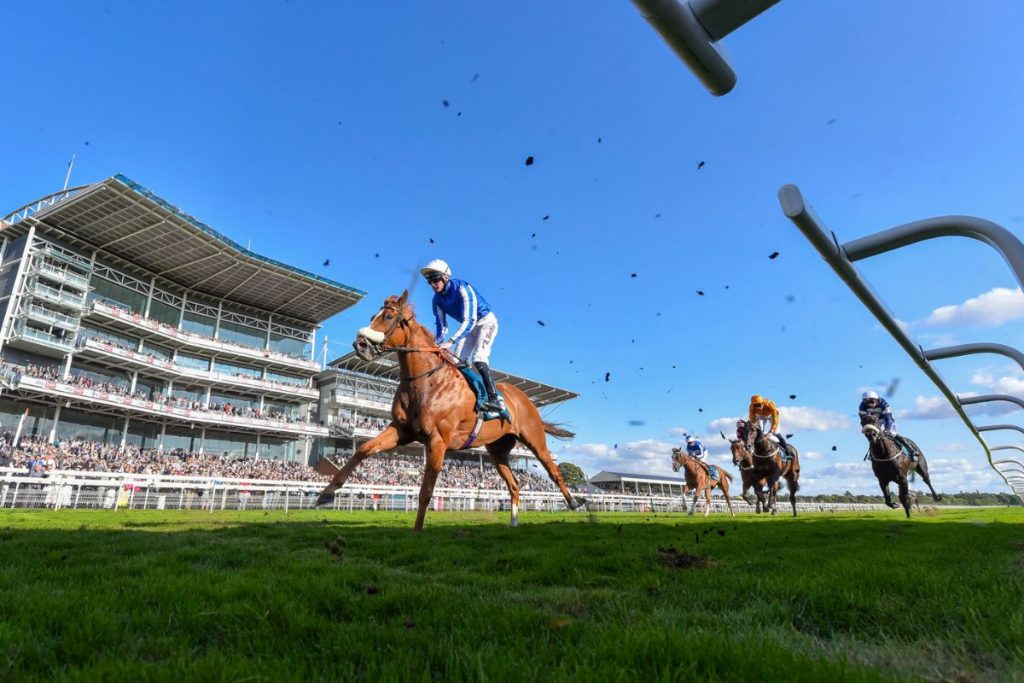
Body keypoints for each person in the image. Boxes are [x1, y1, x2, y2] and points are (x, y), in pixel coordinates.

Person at [421, 259, 503, 413]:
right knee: (457, 362)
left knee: (478, 357)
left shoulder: (461, 287)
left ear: (445, 277)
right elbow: (441, 327)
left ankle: (494, 399)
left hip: (485, 322)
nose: (433, 284)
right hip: (469, 329)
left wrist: (450, 342)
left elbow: (470, 319)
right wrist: (435, 344)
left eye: (436, 279)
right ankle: (467, 397)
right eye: (430, 281)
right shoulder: (436, 300)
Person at [859, 390, 916, 460]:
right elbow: (864, 420)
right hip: (874, 421)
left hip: (885, 419)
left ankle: (910, 448)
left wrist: (887, 428)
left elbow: (888, 418)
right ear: (864, 402)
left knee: (891, 433)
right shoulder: (862, 406)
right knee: (871, 434)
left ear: (876, 400)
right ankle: (871, 453)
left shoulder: (883, 403)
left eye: (872, 401)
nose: (870, 404)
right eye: (868, 402)